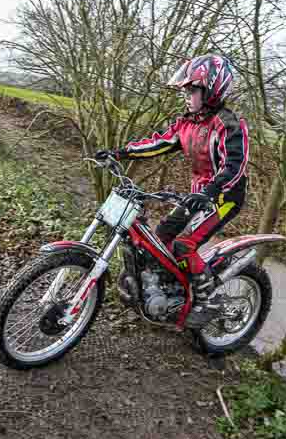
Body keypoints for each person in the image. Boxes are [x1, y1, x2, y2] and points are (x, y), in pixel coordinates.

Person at [95, 54, 249, 326]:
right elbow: (158, 143)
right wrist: (119, 154)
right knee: (161, 236)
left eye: (192, 90)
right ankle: (170, 289)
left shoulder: (228, 124)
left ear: (212, 89)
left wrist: (211, 191)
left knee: (183, 244)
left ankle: (207, 302)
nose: (186, 96)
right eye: (185, 91)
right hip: (198, 194)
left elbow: (234, 165)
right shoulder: (187, 123)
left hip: (224, 195)